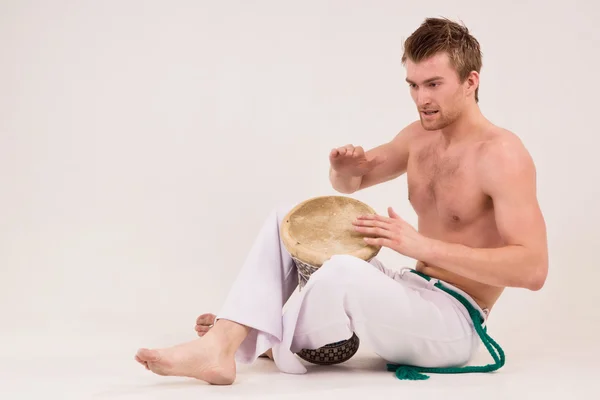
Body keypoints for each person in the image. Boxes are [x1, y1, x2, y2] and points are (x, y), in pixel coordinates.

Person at [134, 17, 548, 385]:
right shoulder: (420, 135)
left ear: (470, 82)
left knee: (343, 273)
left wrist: (422, 247)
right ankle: (233, 340)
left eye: (434, 84)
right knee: (288, 218)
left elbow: (533, 269)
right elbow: (351, 183)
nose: (422, 98)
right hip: (409, 290)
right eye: (414, 85)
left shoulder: (502, 155)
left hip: (453, 324)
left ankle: (252, 336)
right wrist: (345, 169)